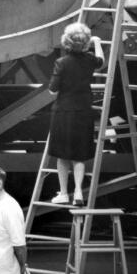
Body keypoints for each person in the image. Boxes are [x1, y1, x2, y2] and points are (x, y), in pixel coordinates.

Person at [47, 22, 105, 205]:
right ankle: (78, 193)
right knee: (79, 155)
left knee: (62, 155)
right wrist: (97, 43)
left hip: (63, 112)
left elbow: (53, 90)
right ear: (85, 41)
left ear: (67, 42)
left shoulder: (61, 62)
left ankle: (64, 193)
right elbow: (101, 62)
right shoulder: (89, 60)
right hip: (84, 111)